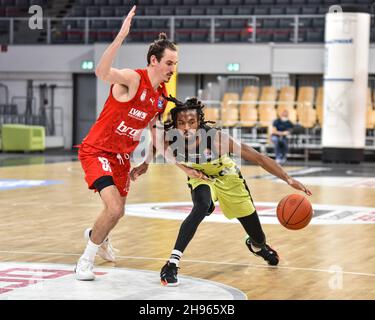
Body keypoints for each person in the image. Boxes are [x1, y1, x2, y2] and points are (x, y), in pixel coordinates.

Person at [132, 96, 312, 286]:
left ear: (199, 122)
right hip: (200, 176)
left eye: (191, 122)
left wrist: (288, 178)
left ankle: (257, 247)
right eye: (181, 123)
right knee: (200, 206)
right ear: (175, 125)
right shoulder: (171, 139)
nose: (186, 127)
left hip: (228, 178)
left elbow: (258, 157)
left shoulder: (217, 140)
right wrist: (145, 164)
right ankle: (172, 263)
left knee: (258, 238)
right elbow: (155, 145)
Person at [74, 6, 178, 281]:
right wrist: (120, 37)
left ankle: (99, 236)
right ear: (154, 61)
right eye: (169, 63)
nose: (172, 69)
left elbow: (155, 131)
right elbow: (101, 71)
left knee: (116, 213)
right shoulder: (134, 79)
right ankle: (85, 261)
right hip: (97, 150)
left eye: (175, 64)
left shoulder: (161, 97)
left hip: (123, 157)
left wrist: (147, 162)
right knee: (115, 208)